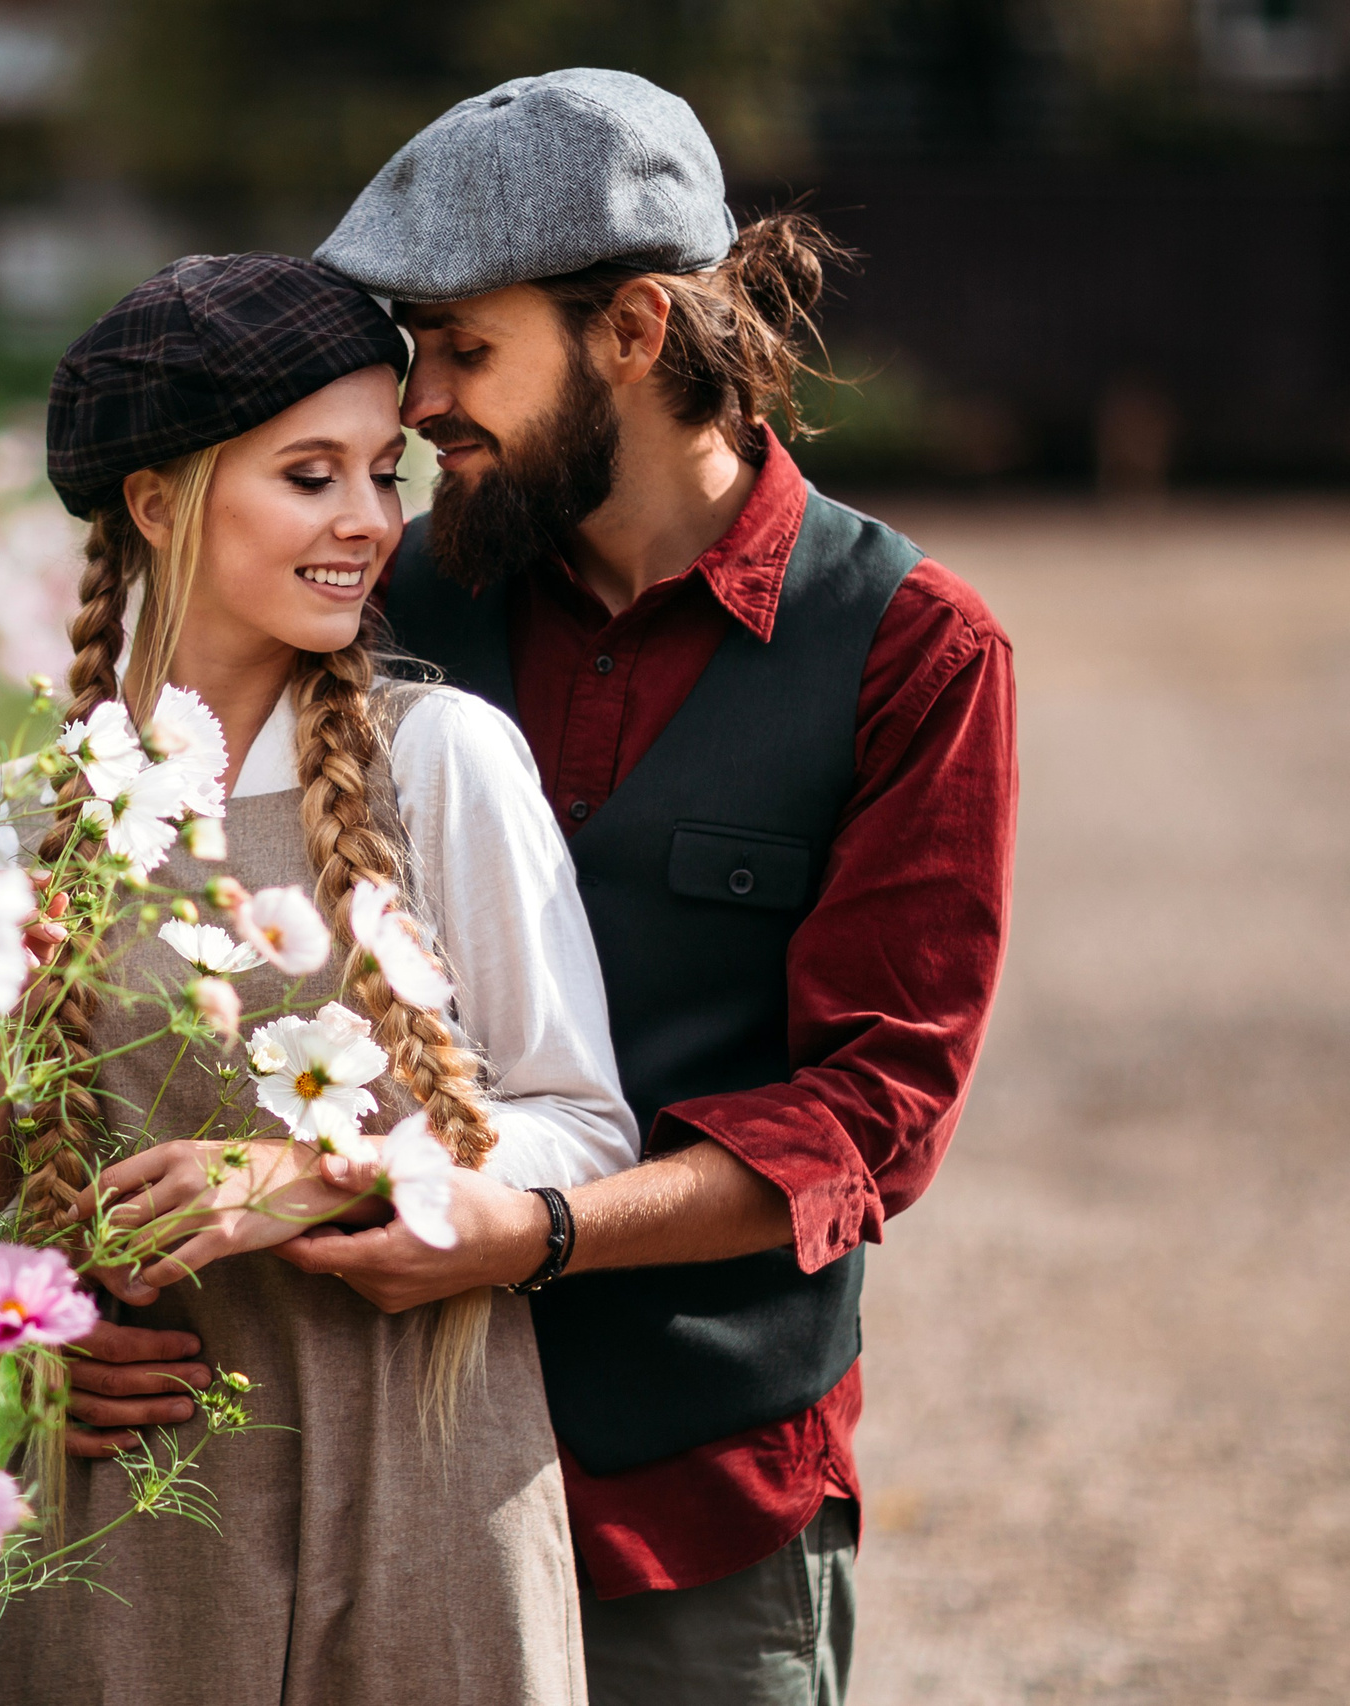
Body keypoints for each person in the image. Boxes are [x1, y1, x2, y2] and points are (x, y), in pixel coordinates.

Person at [220, 67, 1013, 1706]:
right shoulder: (392, 594)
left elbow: (870, 1113)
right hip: (365, 1452)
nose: (419, 399)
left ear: (638, 330)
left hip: (695, 1504)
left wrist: (538, 1228)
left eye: (464, 347)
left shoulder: (915, 650)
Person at [0, 252, 641, 1704]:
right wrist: (20, 1315)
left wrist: (322, 1165)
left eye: (385, 470)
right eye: (312, 476)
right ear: (160, 500)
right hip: (127, 1513)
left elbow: (581, 1124)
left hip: (432, 1487)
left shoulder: (443, 762)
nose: (372, 521)